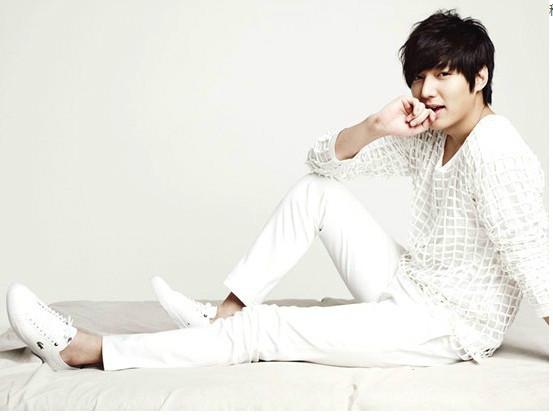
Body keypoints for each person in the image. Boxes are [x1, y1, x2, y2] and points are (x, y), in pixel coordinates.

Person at [6, 8, 549, 372]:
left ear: (479, 78)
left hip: (447, 324)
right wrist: (375, 126)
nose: (426, 91)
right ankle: (226, 314)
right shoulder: (430, 136)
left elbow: (534, 252)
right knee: (317, 192)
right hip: (412, 284)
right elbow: (321, 164)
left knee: (268, 329)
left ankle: (90, 351)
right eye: (418, 77)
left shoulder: (496, 149)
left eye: (443, 76)